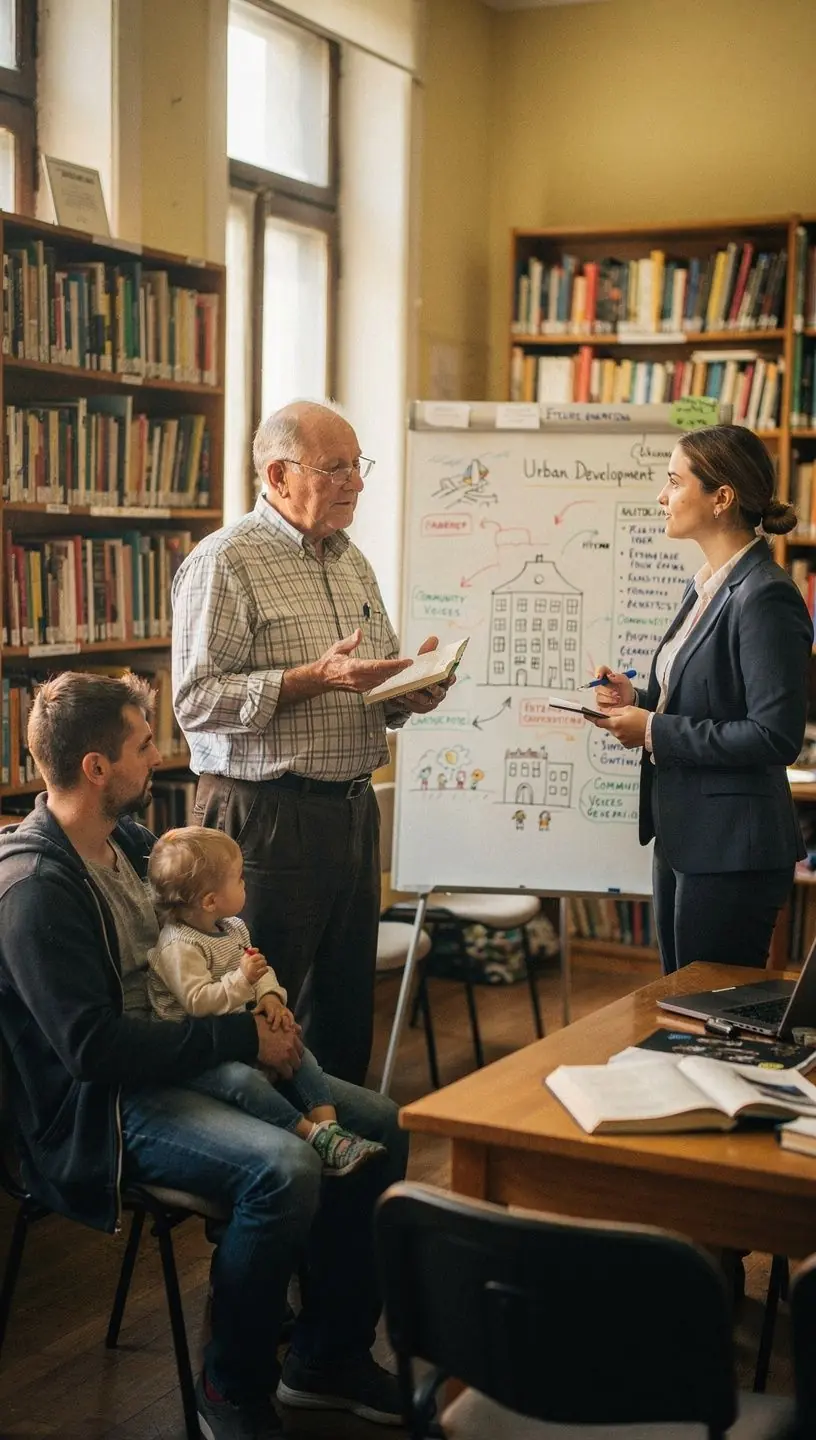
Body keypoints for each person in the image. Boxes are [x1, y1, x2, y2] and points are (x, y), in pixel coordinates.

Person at [0, 672, 409, 1439]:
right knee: (281, 1168)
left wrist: (261, 1001)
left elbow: (205, 947)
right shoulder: (33, 887)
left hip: (183, 1056)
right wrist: (239, 1035)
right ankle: (231, 1385)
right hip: (104, 1108)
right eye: (144, 742)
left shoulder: (128, 843)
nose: (162, 754)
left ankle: (326, 1357)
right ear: (96, 767)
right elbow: (92, 1052)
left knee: (379, 1123)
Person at [171, 400, 452, 1085]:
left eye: (360, 466)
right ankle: (273, 1170)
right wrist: (311, 678)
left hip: (352, 812)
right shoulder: (225, 562)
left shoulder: (350, 559)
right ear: (279, 473)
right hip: (266, 817)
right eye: (338, 468)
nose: (357, 482)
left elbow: (365, 683)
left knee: (345, 1009)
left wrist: (409, 693)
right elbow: (195, 702)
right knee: (266, 1011)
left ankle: (343, 1166)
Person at [591, 424, 811, 974]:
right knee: (680, 1004)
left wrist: (651, 730)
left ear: (722, 498)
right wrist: (638, 699)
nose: (662, 498)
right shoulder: (706, 584)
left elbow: (773, 735)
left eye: (673, 482)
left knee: (711, 1016)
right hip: (685, 834)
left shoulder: (765, 594)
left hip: (734, 850)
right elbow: (712, 700)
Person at [147, 825, 386, 1175]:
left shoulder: (233, 928)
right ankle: (308, 1135)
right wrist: (242, 979)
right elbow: (199, 1002)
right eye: (239, 877)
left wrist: (271, 997)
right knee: (244, 1083)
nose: (246, 883)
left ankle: (331, 1132)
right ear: (210, 900)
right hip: (195, 1053)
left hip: (231, 1034)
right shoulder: (179, 946)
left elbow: (261, 970)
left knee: (298, 1051)